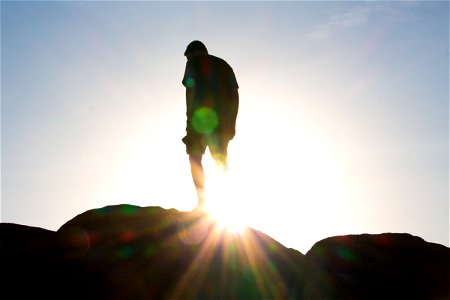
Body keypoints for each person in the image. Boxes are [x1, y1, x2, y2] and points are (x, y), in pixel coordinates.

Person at [181, 40, 239, 210]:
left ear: (194, 52)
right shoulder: (225, 65)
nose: (187, 61)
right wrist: (233, 122)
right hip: (223, 121)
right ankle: (228, 199)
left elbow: (190, 90)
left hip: (200, 119)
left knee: (195, 158)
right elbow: (235, 95)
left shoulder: (193, 63)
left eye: (188, 57)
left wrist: (189, 117)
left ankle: (202, 202)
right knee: (221, 160)